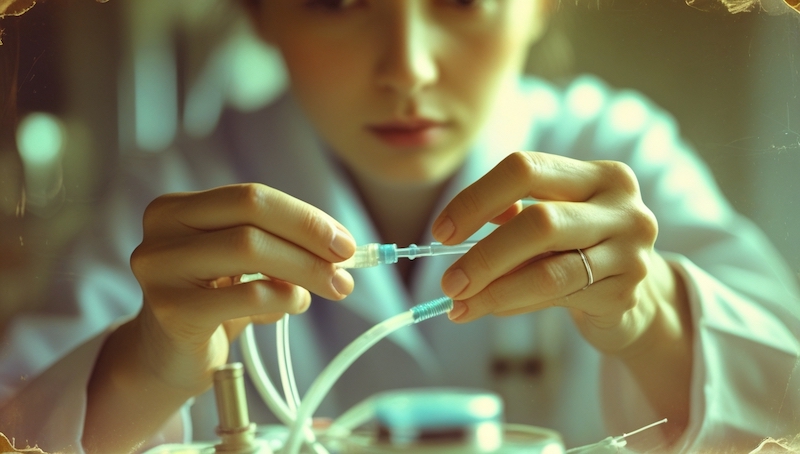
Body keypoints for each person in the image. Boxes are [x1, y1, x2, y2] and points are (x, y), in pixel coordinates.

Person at [1, 0, 799, 452]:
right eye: (337, 1)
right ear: (262, 14)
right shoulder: (180, 187)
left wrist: (653, 315)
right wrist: (144, 366)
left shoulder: (620, 150)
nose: (408, 68)